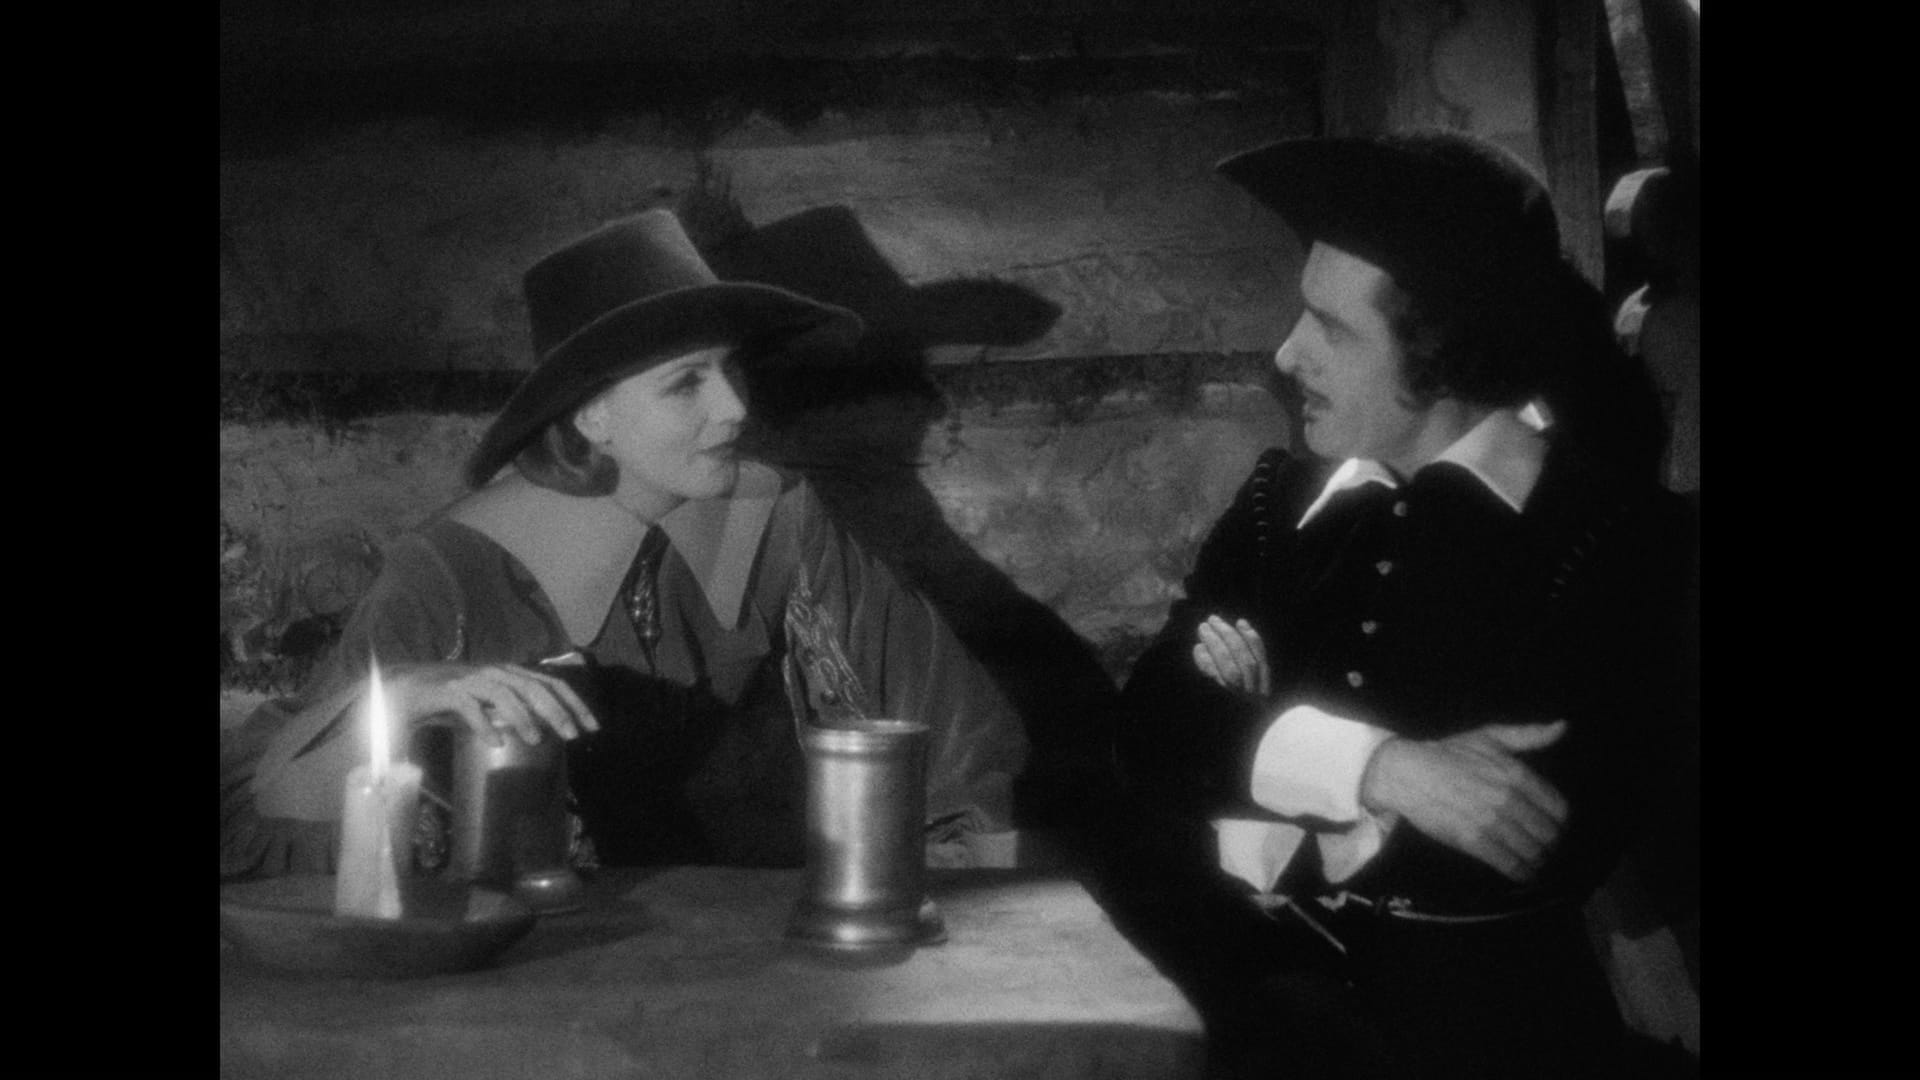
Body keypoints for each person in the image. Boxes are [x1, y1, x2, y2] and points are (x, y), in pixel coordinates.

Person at [1111, 131, 1689, 1079]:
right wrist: (1383, 769)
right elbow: (1152, 727)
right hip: (1252, 1025)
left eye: (1331, 329)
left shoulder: (1615, 536)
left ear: (1441, 352)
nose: (1288, 354)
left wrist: (1258, 747)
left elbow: (1530, 834)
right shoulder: (1279, 507)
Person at [220, 208, 1028, 879]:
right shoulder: (456, 569)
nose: (735, 409)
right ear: (590, 415)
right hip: (541, 971)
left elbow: (957, 743)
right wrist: (403, 698)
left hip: (768, 950)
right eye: (686, 383)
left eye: (731, 370)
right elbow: (266, 814)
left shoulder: (782, 516)